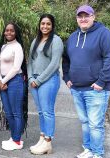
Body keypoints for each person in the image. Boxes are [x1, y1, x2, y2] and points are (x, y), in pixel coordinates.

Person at [62, 5, 110, 158]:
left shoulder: (104, 34)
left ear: (93, 17)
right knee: (85, 122)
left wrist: (101, 81)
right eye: (80, 16)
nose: (83, 19)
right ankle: (88, 149)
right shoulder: (73, 37)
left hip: (96, 89)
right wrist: (66, 77)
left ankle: (98, 154)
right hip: (77, 89)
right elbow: (65, 59)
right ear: (77, 19)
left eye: (87, 15)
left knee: (95, 124)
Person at [27, 14, 64, 155]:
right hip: (34, 81)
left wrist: (38, 80)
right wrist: (31, 78)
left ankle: (48, 142)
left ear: (52, 25)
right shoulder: (36, 40)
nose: (45, 26)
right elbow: (30, 61)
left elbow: (54, 64)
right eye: (43, 23)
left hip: (48, 81)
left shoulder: (56, 40)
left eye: (48, 24)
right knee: (41, 111)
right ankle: (42, 138)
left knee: (47, 112)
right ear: (39, 24)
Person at [0, 22, 27, 151]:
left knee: (16, 113)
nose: (9, 33)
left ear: (16, 33)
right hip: (3, 81)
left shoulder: (18, 47)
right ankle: (14, 137)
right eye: (7, 30)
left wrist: (4, 81)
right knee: (8, 113)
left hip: (15, 81)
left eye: (12, 31)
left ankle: (17, 141)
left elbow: (16, 68)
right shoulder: (3, 46)